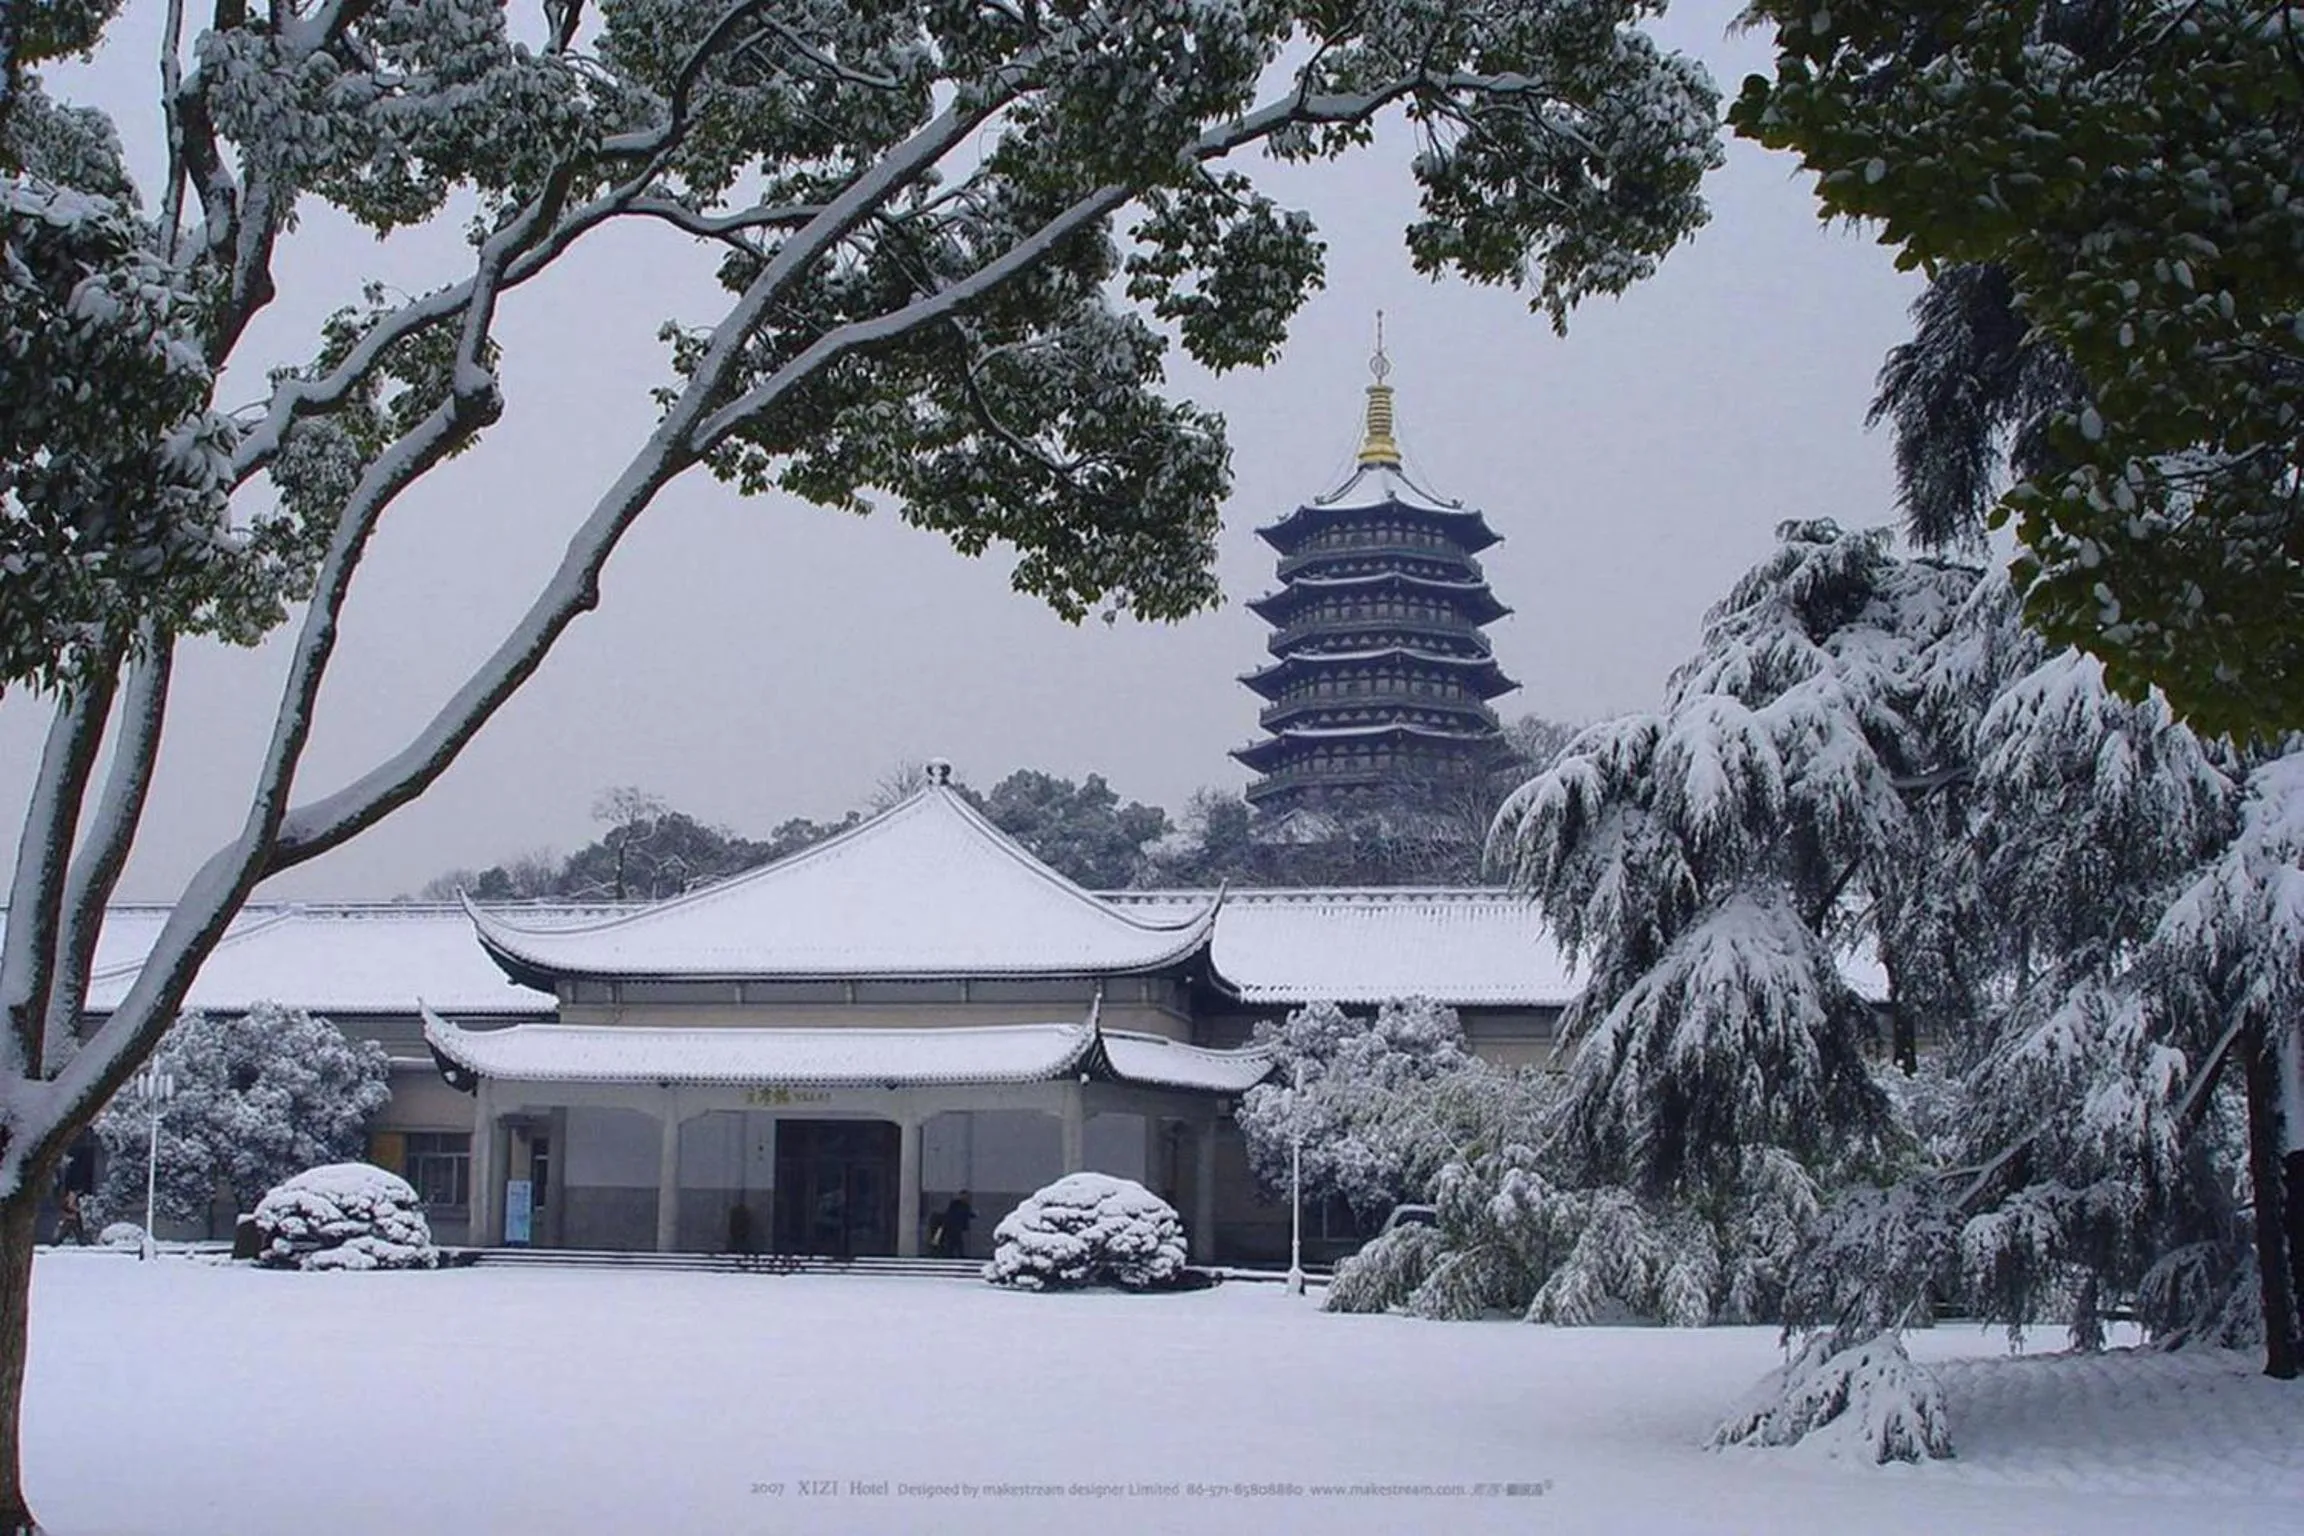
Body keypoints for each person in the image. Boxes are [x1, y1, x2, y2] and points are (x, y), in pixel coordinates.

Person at [934, 1191, 974, 1258]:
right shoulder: (956, 1204)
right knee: (955, 1241)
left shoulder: (965, 1205)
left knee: (955, 1242)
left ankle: (953, 1254)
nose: (966, 1198)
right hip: (953, 1226)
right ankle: (952, 1254)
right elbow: (954, 1214)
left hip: (957, 1227)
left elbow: (967, 1214)